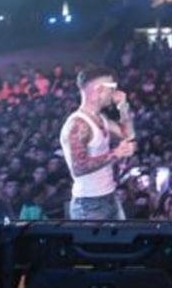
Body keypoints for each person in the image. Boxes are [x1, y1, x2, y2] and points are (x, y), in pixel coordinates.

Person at [58, 65, 136, 220]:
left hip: (109, 195)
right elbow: (78, 168)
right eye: (111, 87)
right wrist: (116, 153)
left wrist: (123, 107)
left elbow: (128, 135)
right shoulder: (78, 125)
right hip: (89, 204)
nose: (114, 92)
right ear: (97, 90)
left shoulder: (101, 119)